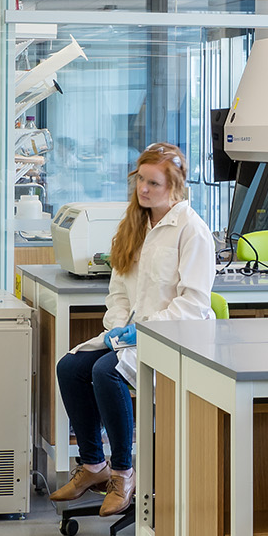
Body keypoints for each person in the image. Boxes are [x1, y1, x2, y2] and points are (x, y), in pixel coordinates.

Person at [50, 143, 213, 517]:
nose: (143, 189)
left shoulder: (192, 231)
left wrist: (145, 330)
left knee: (106, 372)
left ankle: (123, 472)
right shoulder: (134, 225)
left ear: (174, 187)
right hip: (134, 335)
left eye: (153, 183)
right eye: (140, 180)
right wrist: (117, 327)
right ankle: (93, 466)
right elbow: (118, 289)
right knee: (70, 368)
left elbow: (194, 302)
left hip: (177, 337)